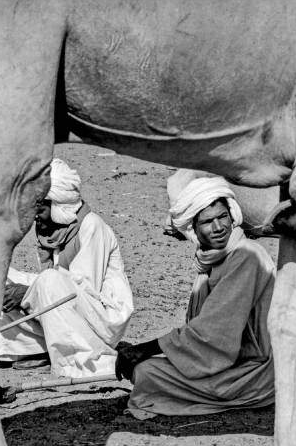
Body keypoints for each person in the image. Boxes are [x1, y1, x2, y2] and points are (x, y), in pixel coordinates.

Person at [116, 175, 276, 418]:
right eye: (208, 222)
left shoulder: (246, 257)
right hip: (225, 362)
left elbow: (213, 334)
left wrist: (144, 350)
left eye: (223, 217)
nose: (219, 227)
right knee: (145, 372)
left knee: (146, 373)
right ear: (193, 229)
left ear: (233, 216)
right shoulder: (212, 258)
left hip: (251, 373)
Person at [0, 158, 134, 378]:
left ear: (57, 205)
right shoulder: (52, 230)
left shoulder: (91, 227)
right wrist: (27, 293)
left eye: (38, 207)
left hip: (100, 321)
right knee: (0, 279)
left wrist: (28, 294)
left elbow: (80, 291)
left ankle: (77, 362)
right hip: (61, 309)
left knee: (48, 280)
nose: (32, 215)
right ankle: (42, 349)